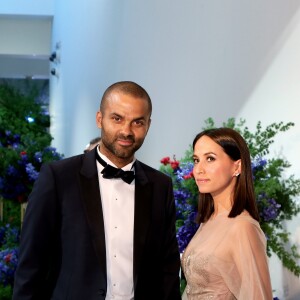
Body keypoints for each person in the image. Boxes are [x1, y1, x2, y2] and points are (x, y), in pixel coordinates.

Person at [13, 81, 181, 300]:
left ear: (148, 125)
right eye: (117, 118)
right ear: (99, 119)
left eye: (137, 122)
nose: (126, 131)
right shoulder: (58, 177)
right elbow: (31, 263)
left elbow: (166, 269)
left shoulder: (160, 186)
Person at [181, 128, 273, 300]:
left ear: (237, 166)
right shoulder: (208, 221)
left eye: (210, 159)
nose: (198, 169)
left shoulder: (243, 227)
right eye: (196, 160)